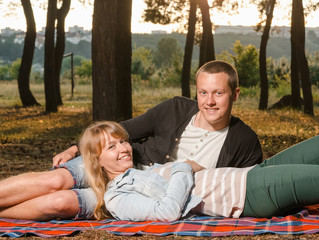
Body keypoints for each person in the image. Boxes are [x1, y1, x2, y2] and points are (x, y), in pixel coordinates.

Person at [0, 60, 262, 220]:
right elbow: (123, 130)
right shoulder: (175, 109)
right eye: (203, 93)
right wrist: (73, 149)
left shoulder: (244, 140)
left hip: (137, 193)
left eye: (218, 93)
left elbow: (237, 186)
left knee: (61, 202)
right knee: (55, 180)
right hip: (118, 160)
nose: (209, 102)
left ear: (235, 95)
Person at [81, 121, 319, 221]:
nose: (123, 148)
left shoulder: (142, 169)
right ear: (97, 161)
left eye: (122, 141)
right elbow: (166, 212)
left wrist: (183, 170)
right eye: (111, 147)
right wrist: (180, 168)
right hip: (250, 194)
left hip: (252, 173)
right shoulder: (118, 197)